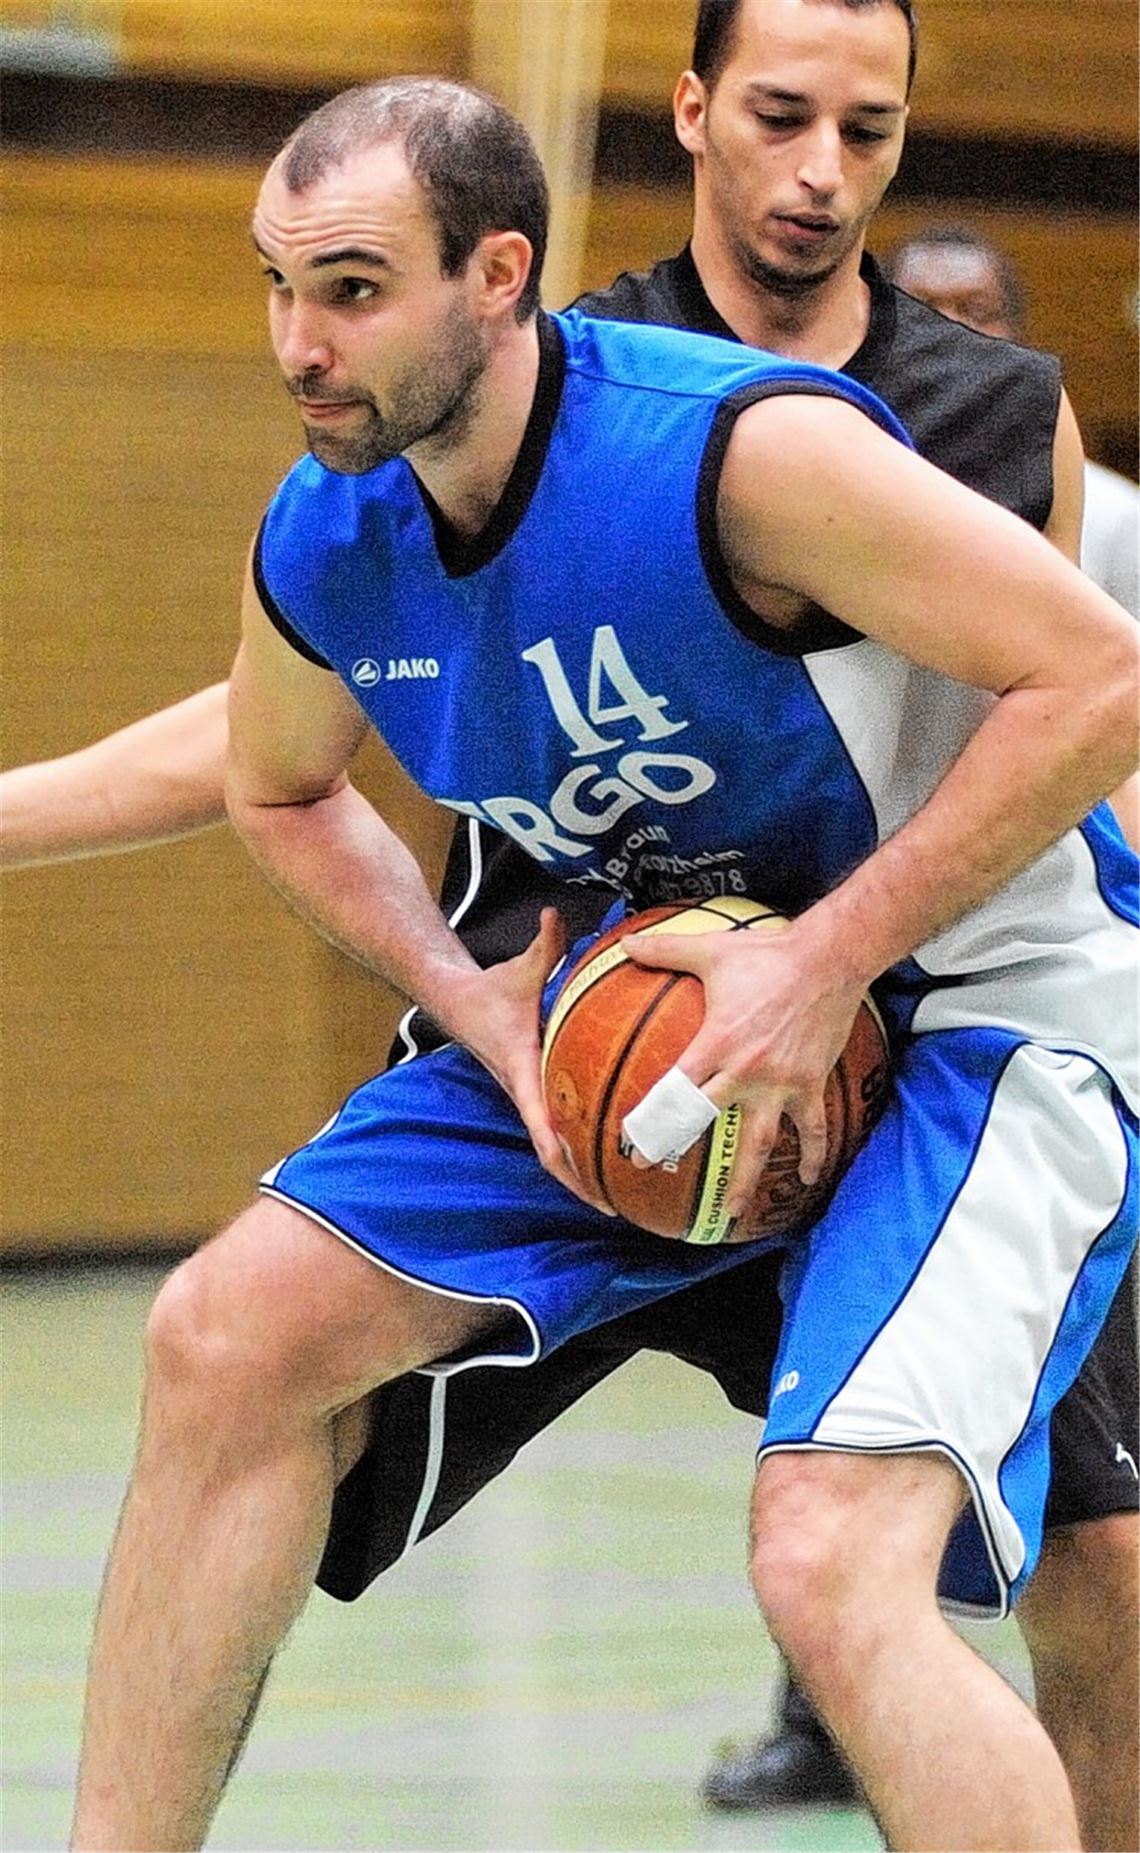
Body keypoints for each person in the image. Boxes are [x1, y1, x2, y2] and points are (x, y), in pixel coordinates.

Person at [4, 7, 1138, 1849]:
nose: (299, 343)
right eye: (280, 287)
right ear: (693, 120)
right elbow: (279, 767)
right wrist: (483, 1008)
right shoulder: (335, 534)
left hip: (954, 1010)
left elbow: (1097, 677)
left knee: (859, 1566)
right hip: (636, 1005)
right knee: (223, 1336)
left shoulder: (749, 450)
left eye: (351, 290)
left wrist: (822, 954)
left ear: (493, 276)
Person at [886, 223, 1140, 620]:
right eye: (921, 308)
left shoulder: (1117, 514)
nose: (950, 329)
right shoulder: (839, 474)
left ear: (1017, 337)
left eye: (977, 311)